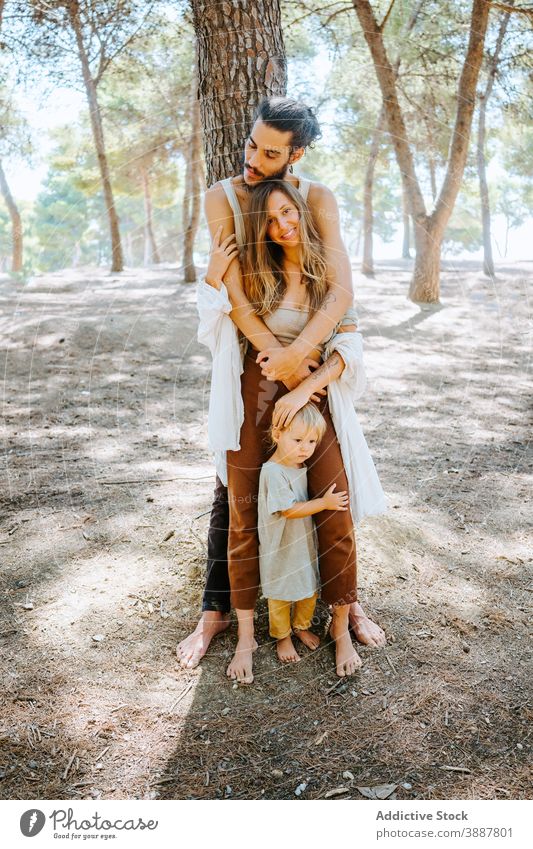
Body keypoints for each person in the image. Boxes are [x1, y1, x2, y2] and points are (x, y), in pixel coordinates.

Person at [177, 96, 387, 674]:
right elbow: (236, 293)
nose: (253, 158)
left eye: (270, 153)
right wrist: (279, 358)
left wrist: (302, 359)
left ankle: (346, 605)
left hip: (307, 363)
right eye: (251, 143)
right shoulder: (222, 197)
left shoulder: (317, 197)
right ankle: (220, 611)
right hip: (253, 365)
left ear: (296, 155)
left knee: (328, 486)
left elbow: (341, 291)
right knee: (241, 495)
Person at [258, 402, 350, 665]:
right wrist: (324, 504)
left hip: (302, 546)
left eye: (311, 441)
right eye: (297, 439)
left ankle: (300, 626)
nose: (305, 448)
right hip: (281, 548)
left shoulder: (299, 466)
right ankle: (282, 635)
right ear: (278, 435)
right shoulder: (273, 471)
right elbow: (287, 510)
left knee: (308, 588)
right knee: (281, 594)